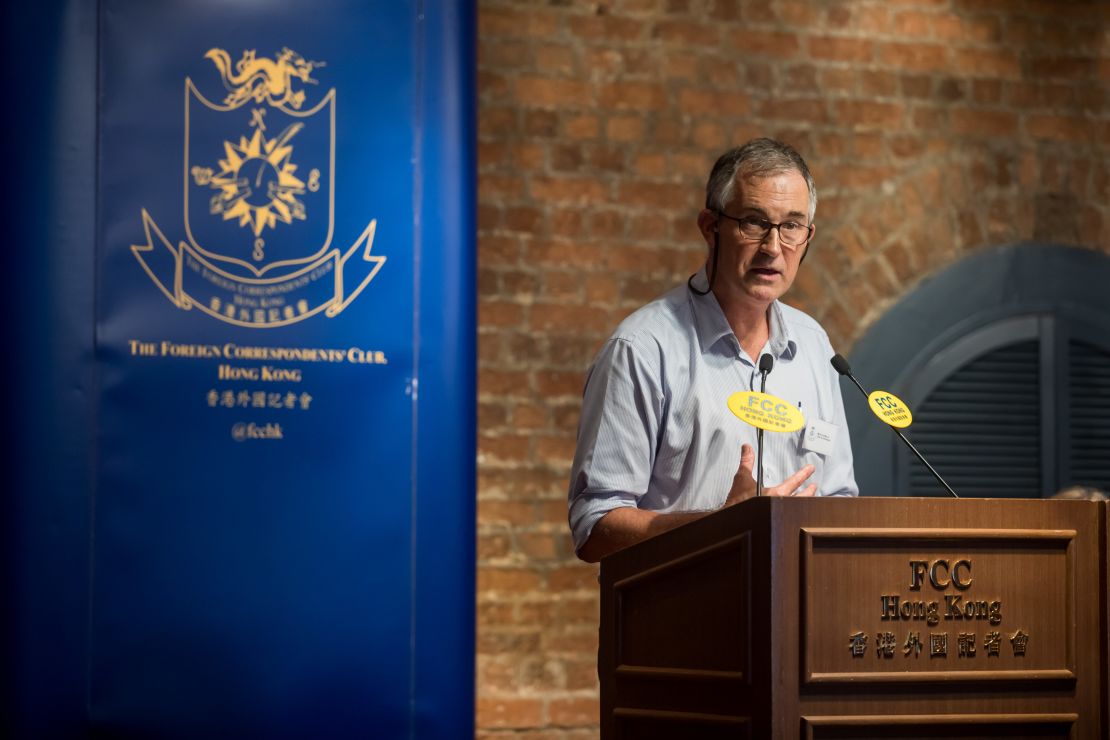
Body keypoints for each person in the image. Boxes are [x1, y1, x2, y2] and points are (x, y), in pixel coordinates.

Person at [568, 138, 858, 563]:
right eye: (754, 222)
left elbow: (840, 497)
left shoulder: (815, 345)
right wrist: (719, 526)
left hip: (799, 616)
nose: (774, 247)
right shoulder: (642, 350)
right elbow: (595, 526)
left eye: (792, 226)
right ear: (710, 226)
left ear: (808, 235)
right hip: (683, 616)